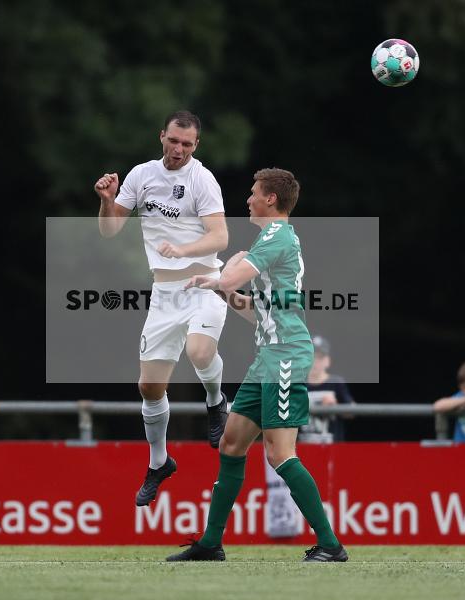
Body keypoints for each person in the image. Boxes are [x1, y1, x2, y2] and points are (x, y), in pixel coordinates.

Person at [169, 168, 347, 563]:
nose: (247, 199)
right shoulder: (276, 239)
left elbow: (234, 274)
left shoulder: (276, 235)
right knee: (231, 444)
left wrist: (223, 274)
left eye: (253, 193)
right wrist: (223, 289)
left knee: (280, 454)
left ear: (270, 199)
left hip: (285, 356)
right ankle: (211, 544)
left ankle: (331, 545)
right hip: (267, 357)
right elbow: (256, 310)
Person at [94, 111, 229, 506]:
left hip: (203, 283)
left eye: (187, 144)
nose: (179, 149)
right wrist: (106, 203)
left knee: (200, 351)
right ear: (162, 137)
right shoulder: (141, 176)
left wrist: (184, 249)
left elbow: (220, 236)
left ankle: (216, 401)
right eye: (174, 141)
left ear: (196, 146)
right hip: (164, 294)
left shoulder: (201, 180)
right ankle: (159, 463)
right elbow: (110, 230)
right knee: (150, 386)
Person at [301, 334, 356, 443]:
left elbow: (352, 411)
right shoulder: (297, 384)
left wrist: (335, 406)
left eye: (319, 358)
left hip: (332, 447)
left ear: (327, 361)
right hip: (303, 447)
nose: (314, 362)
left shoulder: (336, 382)